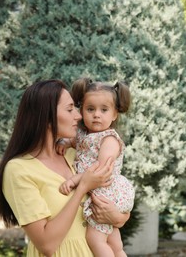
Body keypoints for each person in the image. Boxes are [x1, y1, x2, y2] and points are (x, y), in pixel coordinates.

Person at [0, 79, 130, 257]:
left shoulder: (76, 155)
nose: (78, 116)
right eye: (70, 109)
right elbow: (47, 245)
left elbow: (113, 201)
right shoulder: (19, 170)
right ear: (47, 117)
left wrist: (118, 218)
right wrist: (82, 188)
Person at [56, 78, 135, 257]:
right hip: (100, 192)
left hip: (107, 193)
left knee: (95, 239)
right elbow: (77, 142)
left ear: (115, 114)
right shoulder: (85, 135)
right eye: (90, 109)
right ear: (82, 110)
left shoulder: (109, 139)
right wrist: (66, 143)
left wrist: (75, 179)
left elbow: (100, 169)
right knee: (114, 243)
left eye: (104, 110)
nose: (96, 115)